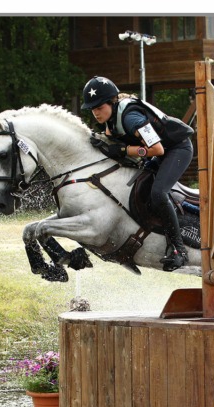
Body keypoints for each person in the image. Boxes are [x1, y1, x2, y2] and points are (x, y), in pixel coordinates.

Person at [81, 76, 195, 271]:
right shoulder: (110, 121)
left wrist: (124, 151)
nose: (96, 113)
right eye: (92, 109)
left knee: (158, 193)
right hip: (162, 151)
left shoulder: (130, 118)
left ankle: (179, 249)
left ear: (112, 102)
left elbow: (157, 149)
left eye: (99, 107)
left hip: (177, 148)